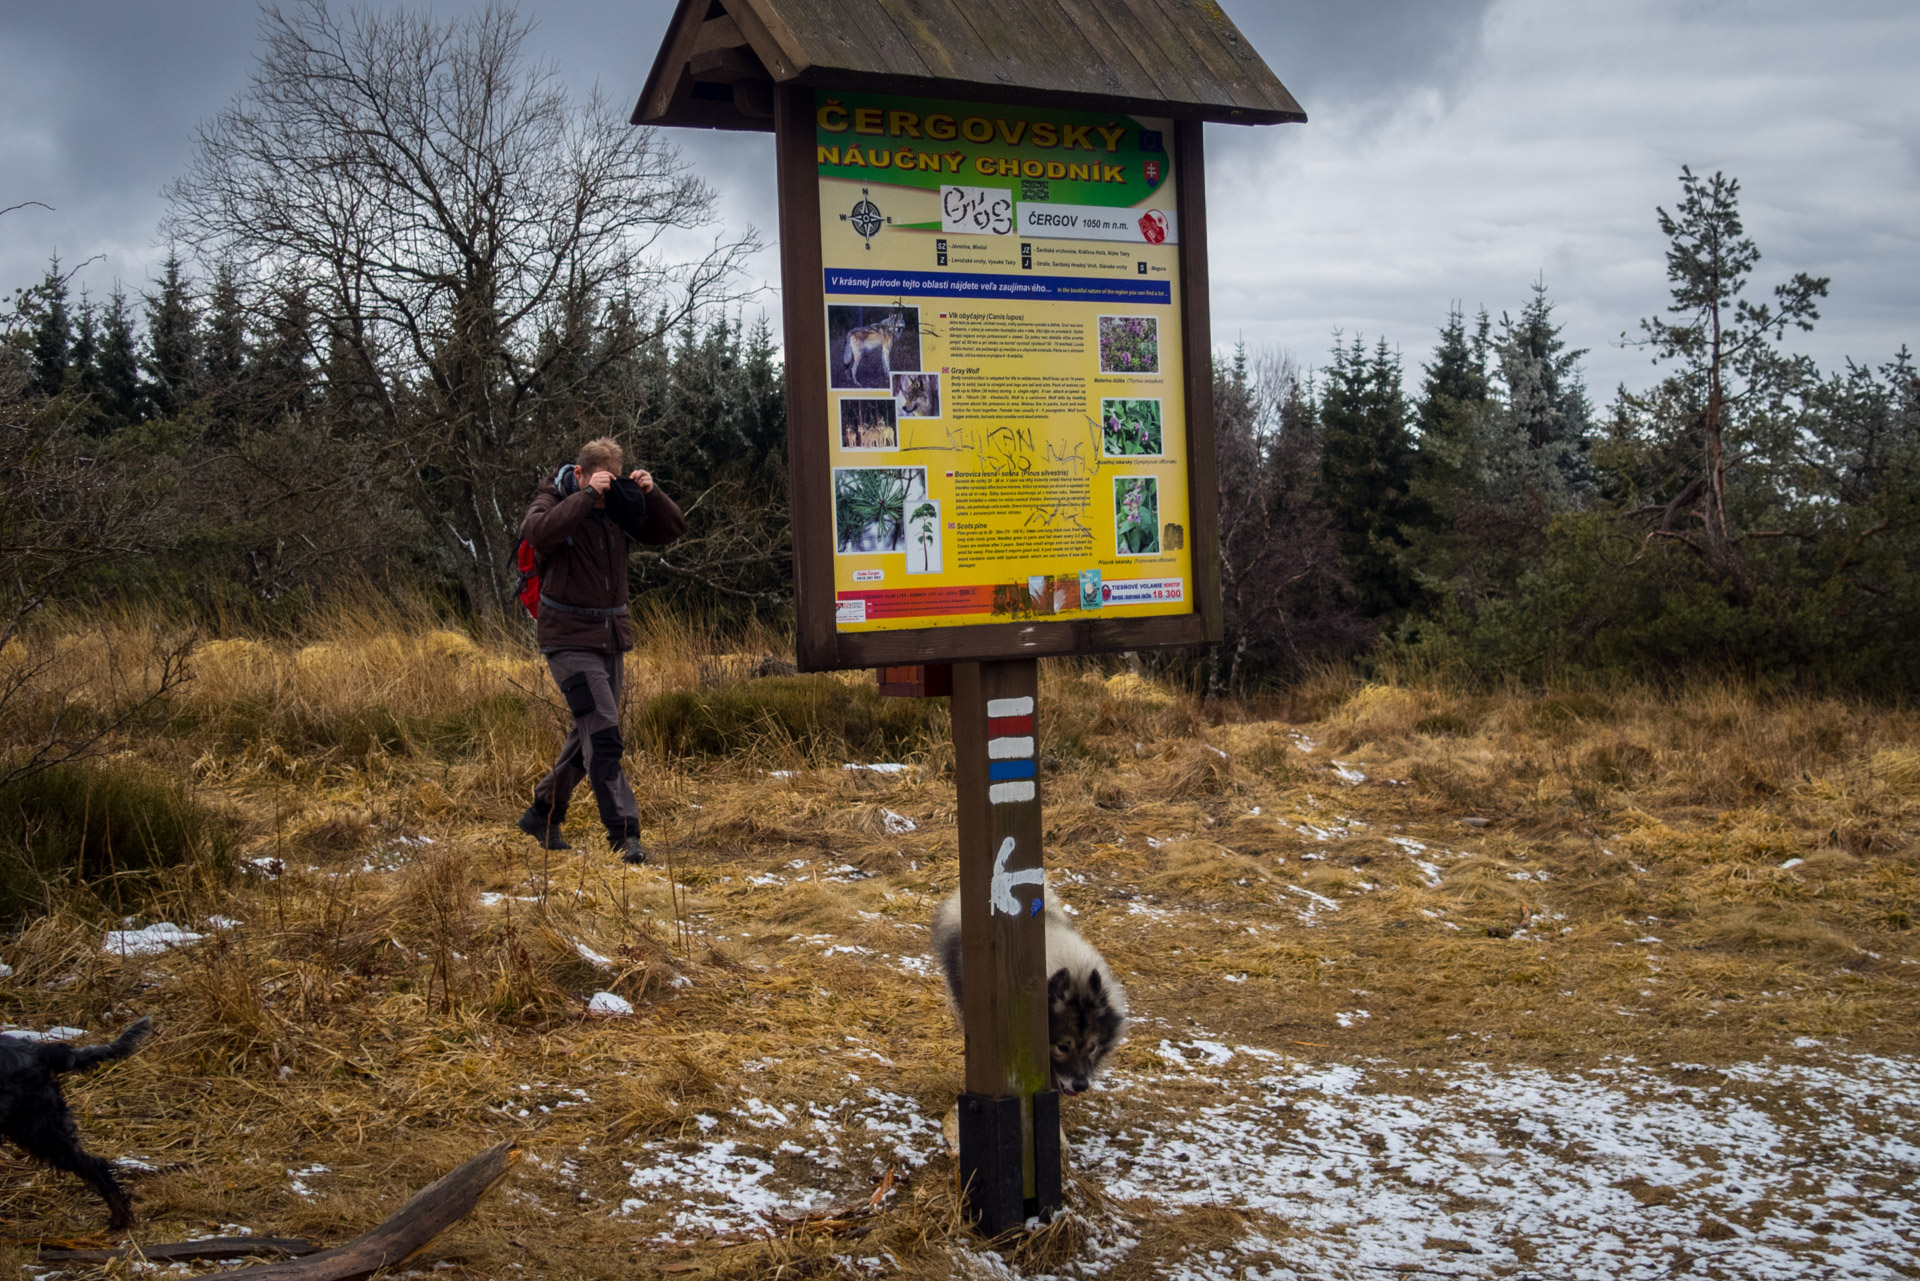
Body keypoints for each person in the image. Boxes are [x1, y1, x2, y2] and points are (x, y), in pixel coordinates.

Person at [516, 436, 684, 864]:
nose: (607, 488)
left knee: (588, 734)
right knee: (605, 734)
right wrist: (588, 496)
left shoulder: (618, 507)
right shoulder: (550, 501)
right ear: (579, 474)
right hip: (567, 638)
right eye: (599, 479)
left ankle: (542, 812)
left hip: (610, 638)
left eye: (613, 477)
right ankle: (624, 835)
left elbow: (670, 530)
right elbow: (537, 533)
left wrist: (650, 493)